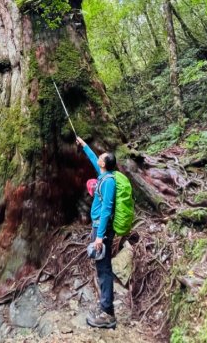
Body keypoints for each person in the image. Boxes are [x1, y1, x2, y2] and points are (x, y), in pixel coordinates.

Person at [76, 135, 117, 329]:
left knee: (104, 270)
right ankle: (104, 307)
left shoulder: (109, 182)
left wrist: (100, 236)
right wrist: (84, 145)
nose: (99, 157)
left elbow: (107, 209)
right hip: (97, 227)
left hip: (102, 229)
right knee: (101, 269)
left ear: (106, 163)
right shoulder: (102, 176)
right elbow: (93, 159)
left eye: (102, 156)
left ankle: (108, 314)